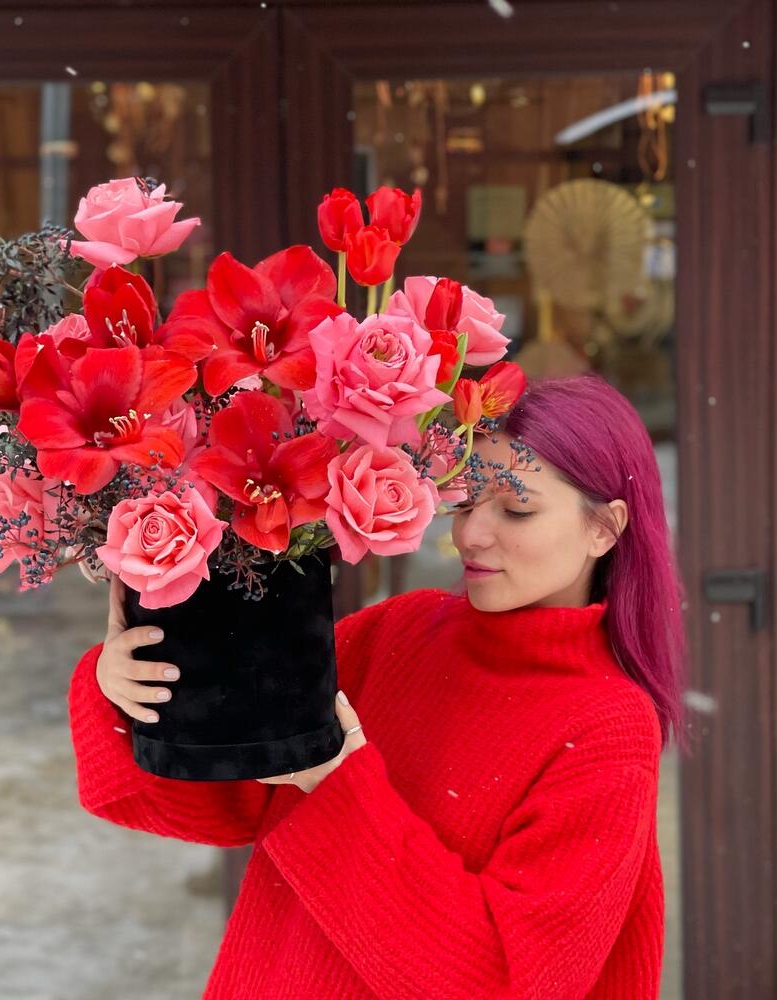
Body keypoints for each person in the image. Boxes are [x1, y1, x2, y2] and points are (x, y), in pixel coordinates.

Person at [67, 372, 688, 999]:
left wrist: (336, 785)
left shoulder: (608, 727)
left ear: (604, 528)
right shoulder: (401, 630)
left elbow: (505, 981)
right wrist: (129, 688)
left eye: (516, 508)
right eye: (465, 501)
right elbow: (227, 795)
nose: (470, 534)